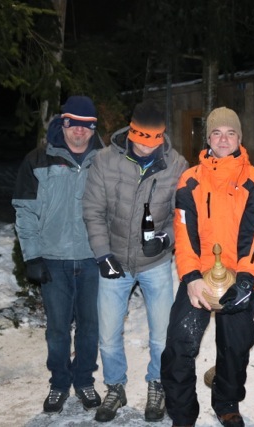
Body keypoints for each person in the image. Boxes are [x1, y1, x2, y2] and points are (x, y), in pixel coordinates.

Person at [160, 107, 254, 427]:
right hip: (199, 274)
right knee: (180, 343)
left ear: (239, 138)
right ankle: (182, 413)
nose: (223, 139)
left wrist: (246, 279)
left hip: (239, 277)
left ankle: (226, 402)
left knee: (236, 346)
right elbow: (184, 233)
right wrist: (191, 277)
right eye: (216, 133)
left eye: (230, 133)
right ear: (208, 138)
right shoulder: (190, 179)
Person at [82, 99, 188, 423]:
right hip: (114, 259)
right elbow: (93, 211)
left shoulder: (176, 164)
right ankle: (115, 387)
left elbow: (181, 215)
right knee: (108, 333)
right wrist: (103, 254)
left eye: (152, 140)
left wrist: (165, 239)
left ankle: (158, 384)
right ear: (131, 131)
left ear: (161, 135)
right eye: (140, 138)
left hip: (155, 263)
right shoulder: (105, 160)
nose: (144, 146)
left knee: (162, 333)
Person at [12, 95, 105, 414]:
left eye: (86, 126)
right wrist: (32, 256)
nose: (79, 131)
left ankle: (84, 380)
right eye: (73, 124)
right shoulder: (38, 160)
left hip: (92, 259)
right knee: (57, 328)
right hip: (53, 259)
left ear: (93, 128)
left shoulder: (105, 161)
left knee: (90, 327)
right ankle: (59, 383)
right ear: (62, 124)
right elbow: (25, 211)